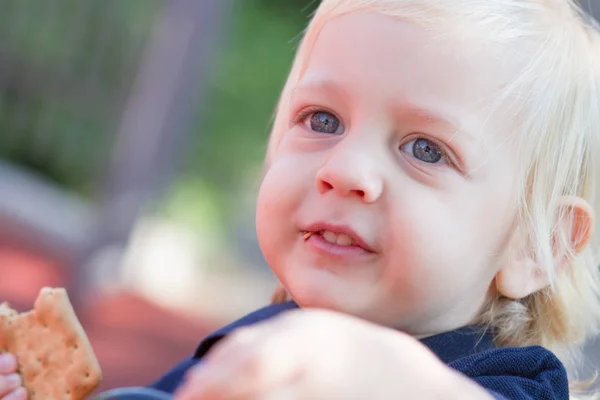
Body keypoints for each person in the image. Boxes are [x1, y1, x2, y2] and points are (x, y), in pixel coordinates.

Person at [3, 0, 600, 398]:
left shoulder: (500, 382)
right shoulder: (258, 338)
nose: (344, 171)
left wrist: (385, 376)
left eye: (424, 149)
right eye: (322, 119)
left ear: (537, 246)